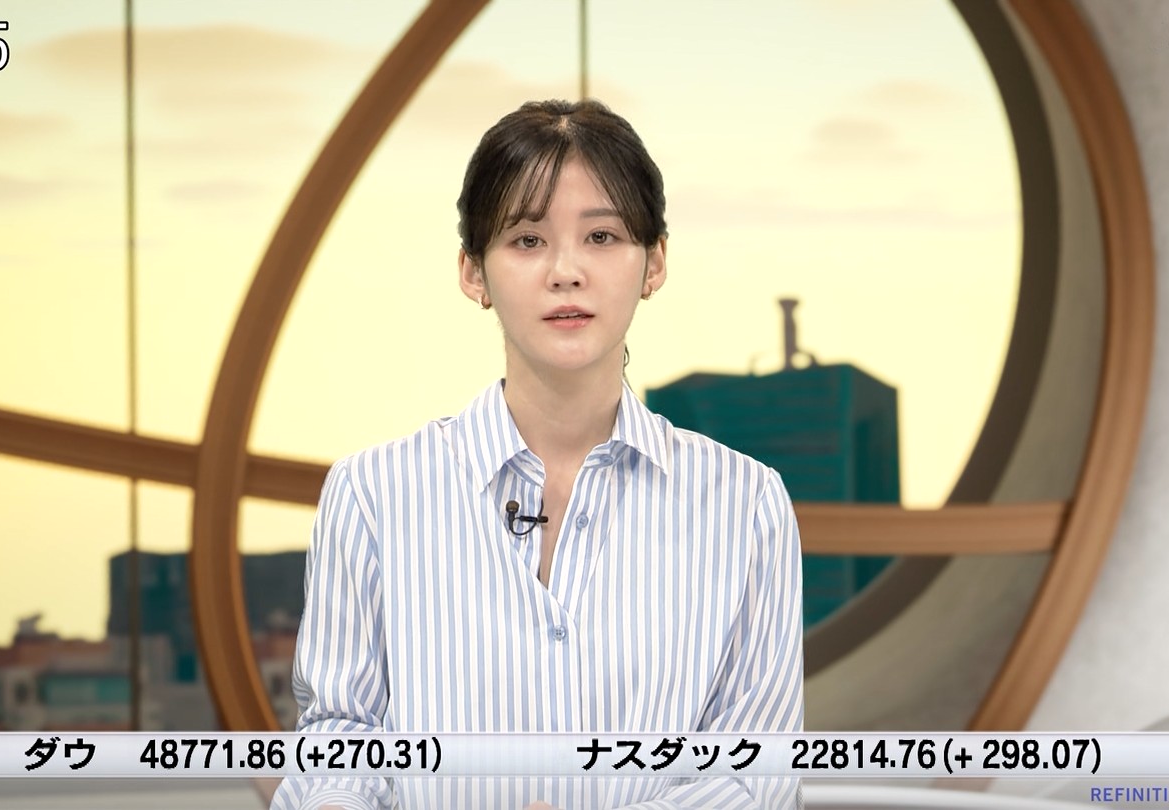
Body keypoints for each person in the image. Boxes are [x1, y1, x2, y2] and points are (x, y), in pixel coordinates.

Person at [270, 99, 804, 810]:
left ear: (654, 262)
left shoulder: (746, 504)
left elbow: (757, 774)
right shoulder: (372, 492)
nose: (566, 271)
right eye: (526, 240)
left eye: (602, 236)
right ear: (473, 272)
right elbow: (338, 744)